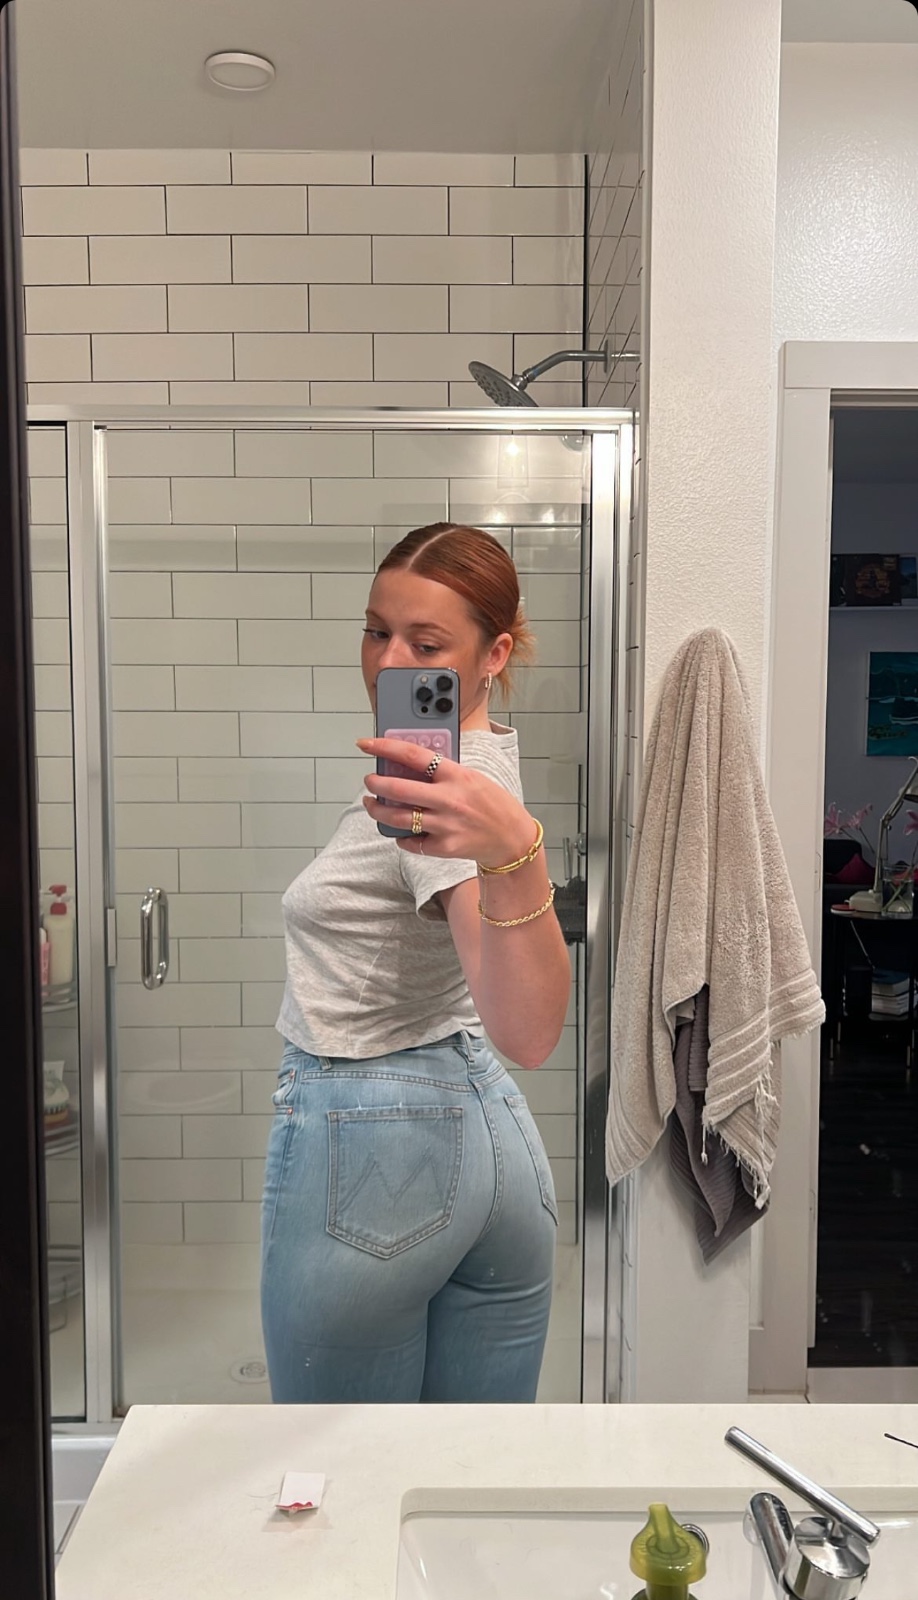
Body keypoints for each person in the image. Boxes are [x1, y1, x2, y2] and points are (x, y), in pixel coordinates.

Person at [260, 521, 571, 1403]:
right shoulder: (472, 763)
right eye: (376, 631)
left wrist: (518, 853)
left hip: (378, 1144)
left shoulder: (442, 791)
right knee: (465, 1467)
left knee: (341, 1470)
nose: (389, 663)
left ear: (493, 653)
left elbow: (529, 1031)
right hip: (488, 1138)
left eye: (426, 645)